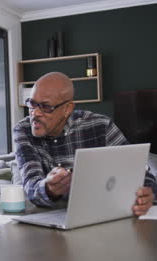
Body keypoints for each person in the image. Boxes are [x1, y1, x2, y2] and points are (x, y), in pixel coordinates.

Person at [13, 72, 156, 216]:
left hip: (103, 214)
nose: (35, 113)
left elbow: (138, 171)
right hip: (49, 220)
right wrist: (49, 188)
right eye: (32, 103)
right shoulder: (23, 130)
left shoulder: (100, 125)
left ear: (67, 109)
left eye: (45, 106)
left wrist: (147, 193)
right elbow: (31, 186)